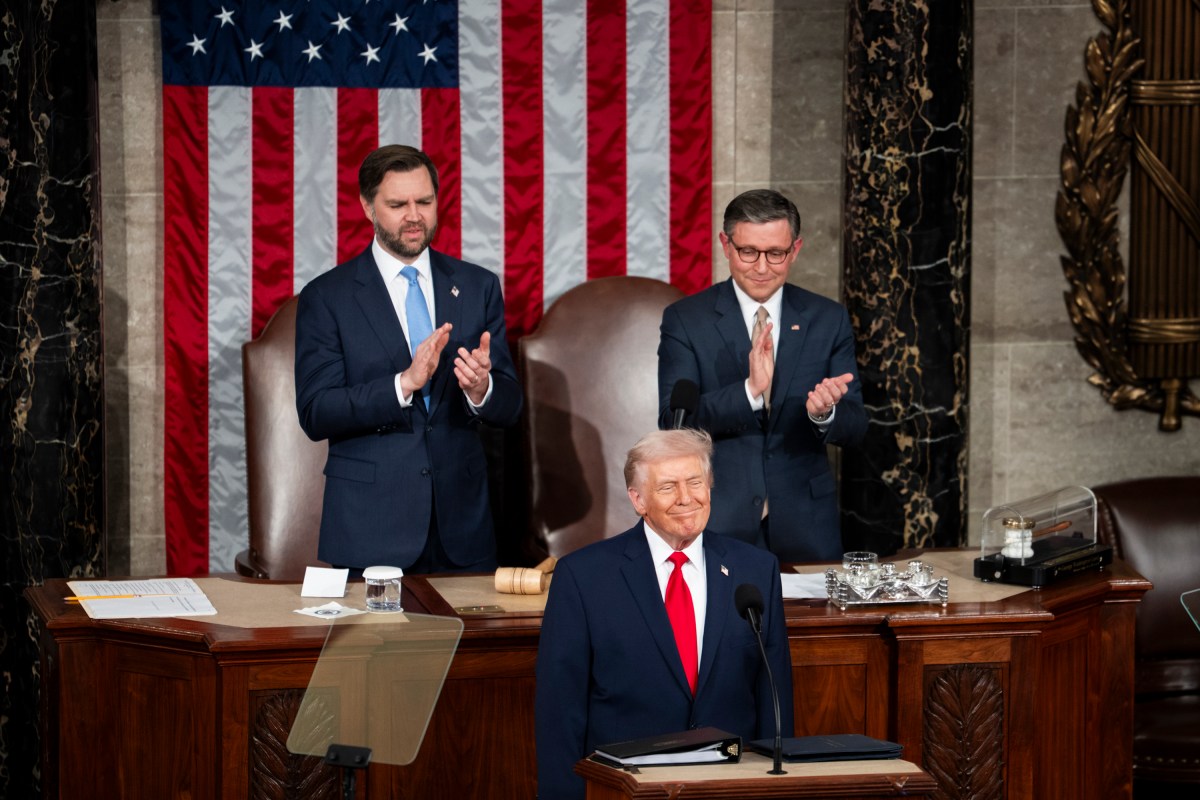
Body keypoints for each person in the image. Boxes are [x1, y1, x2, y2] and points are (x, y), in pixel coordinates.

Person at [294, 144, 522, 573]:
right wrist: (403, 383)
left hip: (464, 529)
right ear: (368, 206)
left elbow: (510, 406)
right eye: (397, 204)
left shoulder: (477, 286)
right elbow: (316, 411)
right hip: (371, 531)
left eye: (424, 201)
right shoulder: (328, 297)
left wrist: (481, 389)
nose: (414, 215)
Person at [535, 429, 792, 800]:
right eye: (668, 487)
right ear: (637, 500)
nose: (686, 498)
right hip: (626, 788)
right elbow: (560, 713)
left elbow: (774, 697)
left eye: (695, 482)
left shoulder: (755, 570)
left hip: (732, 787)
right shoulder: (583, 577)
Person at [657, 189, 866, 563]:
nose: (762, 267)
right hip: (720, 519)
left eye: (776, 253)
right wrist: (750, 391)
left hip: (807, 524)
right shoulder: (687, 320)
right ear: (726, 244)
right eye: (748, 251)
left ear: (795, 249)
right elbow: (676, 424)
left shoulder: (827, 318)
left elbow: (855, 427)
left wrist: (825, 413)